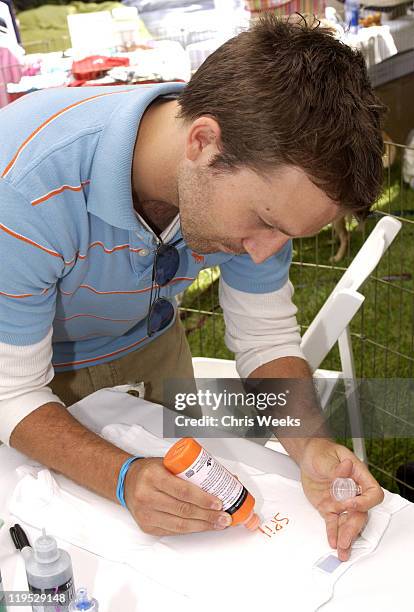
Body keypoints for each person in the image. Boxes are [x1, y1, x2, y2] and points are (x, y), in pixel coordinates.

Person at [0, 15, 385, 558]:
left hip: (153, 350)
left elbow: (266, 339)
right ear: (203, 142)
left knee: (187, 548)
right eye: (266, 221)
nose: (265, 252)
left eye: (287, 233)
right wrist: (123, 477)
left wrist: (311, 446)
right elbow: (12, 392)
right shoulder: (23, 185)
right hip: (26, 382)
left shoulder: (267, 173)